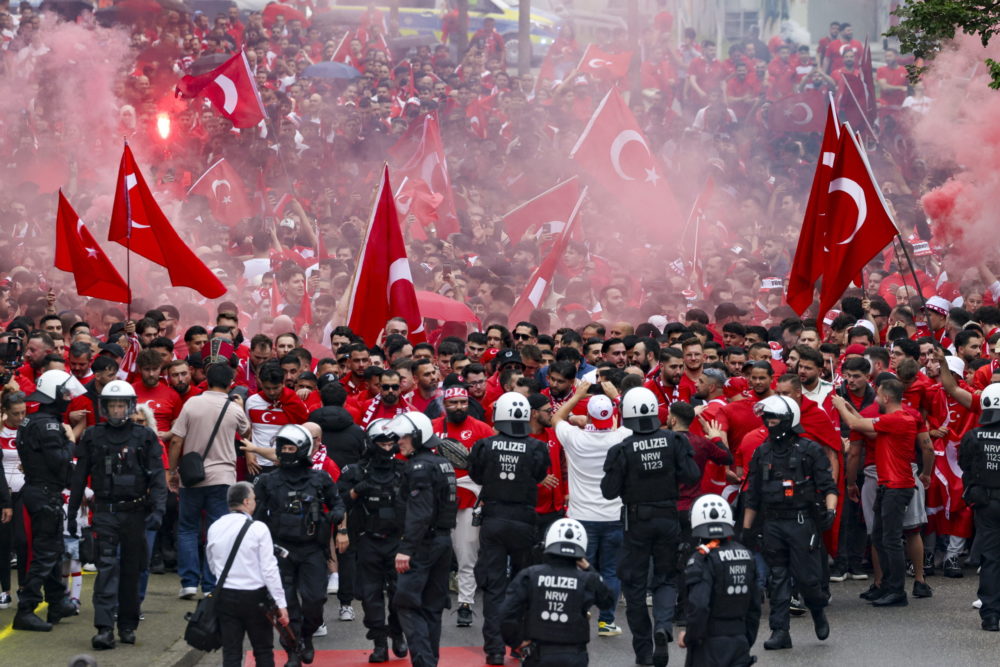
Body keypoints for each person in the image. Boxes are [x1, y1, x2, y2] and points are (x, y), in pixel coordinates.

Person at [600, 386, 701, 667]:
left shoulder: (621, 449)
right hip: (668, 516)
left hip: (636, 522)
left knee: (633, 585)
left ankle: (643, 651)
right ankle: (663, 626)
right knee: (666, 577)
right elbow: (692, 476)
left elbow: (608, 491)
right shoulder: (674, 441)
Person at [67, 380, 166, 649]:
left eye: (121, 405)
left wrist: (158, 510)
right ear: (104, 408)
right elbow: (79, 476)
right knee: (107, 567)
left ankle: (127, 624)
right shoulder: (93, 436)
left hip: (136, 512)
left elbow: (158, 477)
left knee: (132, 570)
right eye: (112, 405)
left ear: (130, 406)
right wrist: (72, 513)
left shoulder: (144, 437)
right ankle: (104, 627)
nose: (117, 411)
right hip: (106, 511)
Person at [742, 395, 837, 650]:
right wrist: (747, 530)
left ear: (788, 420)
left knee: (808, 580)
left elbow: (828, 485)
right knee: (777, 578)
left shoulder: (810, 450)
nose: (770, 423)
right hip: (772, 524)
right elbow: (752, 495)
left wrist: (830, 511)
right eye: (767, 418)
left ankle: (817, 610)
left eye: (775, 418)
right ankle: (780, 631)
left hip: (802, 522)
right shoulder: (762, 451)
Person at [468, 392, 550, 665]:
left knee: (494, 586)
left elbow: (477, 475)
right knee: (522, 583)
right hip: (524, 520)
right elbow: (539, 475)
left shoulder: (485, 445)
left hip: (494, 518)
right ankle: (518, 644)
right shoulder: (537, 447)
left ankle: (493, 650)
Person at [254, 423, 345, 666]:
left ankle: (306, 635)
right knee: (286, 604)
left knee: (315, 599)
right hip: (280, 551)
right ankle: (292, 650)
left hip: (313, 550)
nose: (285, 451)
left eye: (291, 447)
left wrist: (336, 519)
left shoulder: (320, 478)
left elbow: (338, 503)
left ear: (302, 449)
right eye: (282, 447)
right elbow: (255, 515)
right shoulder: (267, 481)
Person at [832, 378, 920, 607]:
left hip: (896, 487)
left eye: (879, 396)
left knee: (890, 540)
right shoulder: (895, 419)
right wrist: (850, 408)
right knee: (881, 538)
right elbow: (864, 423)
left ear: (887, 398)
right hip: (889, 485)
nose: (876, 399)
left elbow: (855, 425)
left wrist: (841, 407)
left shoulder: (899, 419)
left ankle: (897, 590)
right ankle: (888, 585)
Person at [168, 363, 252, 599]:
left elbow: (176, 440)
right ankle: (211, 584)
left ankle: (188, 582)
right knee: (216, 532)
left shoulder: (192, 403)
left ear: (206, 379)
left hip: (191, 477)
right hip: (222, 478)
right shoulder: (233, 409)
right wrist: (241, 407)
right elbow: (246, 433)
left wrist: (172, 470)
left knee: (187, 529)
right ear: (230, 383)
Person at [552, 381, 627, 637]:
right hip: (614, 516)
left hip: (582, 518)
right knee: (610, 572)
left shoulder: (575, 437)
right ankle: (606, 621)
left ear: (590, 415)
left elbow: (557, 418)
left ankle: (578, 613)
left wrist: (578, 394)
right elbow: (633, 419)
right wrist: (616, 396)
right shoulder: (621, 437)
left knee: (581, 568)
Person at [14, 369, 85, 632]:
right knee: (45, 554)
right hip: (45, 493)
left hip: (38, 491)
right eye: (64, 393)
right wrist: (70, 440)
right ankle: (26, 609)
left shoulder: (32, 421)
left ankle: (57, 602)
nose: (68, 398)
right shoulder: (50, 426)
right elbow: (59, 462)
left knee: (53, 550)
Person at [388, 411, 458, 667]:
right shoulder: (442, 463)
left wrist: (406, 548)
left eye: (404, 436)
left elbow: (420, 511)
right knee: (431, 607)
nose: (399, 441)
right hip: (441, 542)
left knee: (406, 604)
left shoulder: (419, 467)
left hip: (422, 545)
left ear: (418, 436)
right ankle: (430, 661)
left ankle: (425, 663)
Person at [499, 517, 615, 666]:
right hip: (574, 656)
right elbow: (608, 602)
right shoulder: (588, 579)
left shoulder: (530, 575)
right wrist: (588, 567)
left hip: (538, 654)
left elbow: (506, 614)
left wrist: (516, 641)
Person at [338, 419, 409, 662]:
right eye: (382, 443)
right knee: (370, 596)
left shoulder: (405, 470)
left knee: (400, 594)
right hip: (367, 540)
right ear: (372, 443)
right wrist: (359, 490)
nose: (387, 447)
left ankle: (397, 633)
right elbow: (339, 502)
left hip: (398, 541)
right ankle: (379, 642)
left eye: (391, 443)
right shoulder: (356, 471)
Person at [207, 481, 289, 667]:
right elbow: (269, 569)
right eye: (253, 498)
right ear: (245, 502)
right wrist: (281, 603)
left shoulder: (215, 527)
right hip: (255, 597)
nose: (255, 502)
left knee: (231, 652)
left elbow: (212, 565)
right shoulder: (258, 529)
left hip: (225, 595)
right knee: (263, 650)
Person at [678, 494, 760, 667]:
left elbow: (699, 605)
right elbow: (755, 605)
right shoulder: (746, 555)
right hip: (740, 641)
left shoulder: (702, 559)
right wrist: (746, 639)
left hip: (708, 644)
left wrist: (690, 637)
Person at [958, 383, 1000, 631]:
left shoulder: (973, 435)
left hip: (986, 504)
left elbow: (965, 466)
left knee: (992, 558)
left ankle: (991, 615)